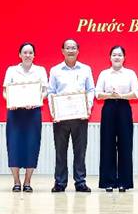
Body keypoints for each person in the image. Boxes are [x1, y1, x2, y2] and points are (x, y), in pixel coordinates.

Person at [47, 38, 95, 193]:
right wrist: (54, 112)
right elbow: (51, 92)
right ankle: (60, 183)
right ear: (62, 51)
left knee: (80, 151)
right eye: (68, 48)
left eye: (73, 48)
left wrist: (87, 108)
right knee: (60, 151)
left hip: (80, 117)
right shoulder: (55, 70)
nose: (71, 50)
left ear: (78, 50)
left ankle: (80, 182)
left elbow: (90, 90)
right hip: (61, 117)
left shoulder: (86, 69)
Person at [2, 42, 48, 192]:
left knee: (32, 145)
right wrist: (10, 101)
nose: (27, 55)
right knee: (13, 145)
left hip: (33, 113)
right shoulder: (11, 70)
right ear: (19, 55)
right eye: (25, 52)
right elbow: (5, 92)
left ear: (34, 55)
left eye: (30, 53)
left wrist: (36, 101)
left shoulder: (40, 70)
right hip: (15, 113)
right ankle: (16, 181)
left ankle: (27, 182)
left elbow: (45, 91)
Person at [96, 45, 138, 192]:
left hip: (124, 108)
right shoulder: (104, 73)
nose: (117, 57)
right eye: (114, 55)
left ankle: (124, 182)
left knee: (125, 145)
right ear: (110, 57)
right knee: (107, 144)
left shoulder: (130, 73)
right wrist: (110, 95)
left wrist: (121, 96)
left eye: (120, 55)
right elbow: (97, 93)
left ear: (124, 58)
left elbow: (136, 93)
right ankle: (108, 182)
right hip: (108, 108)